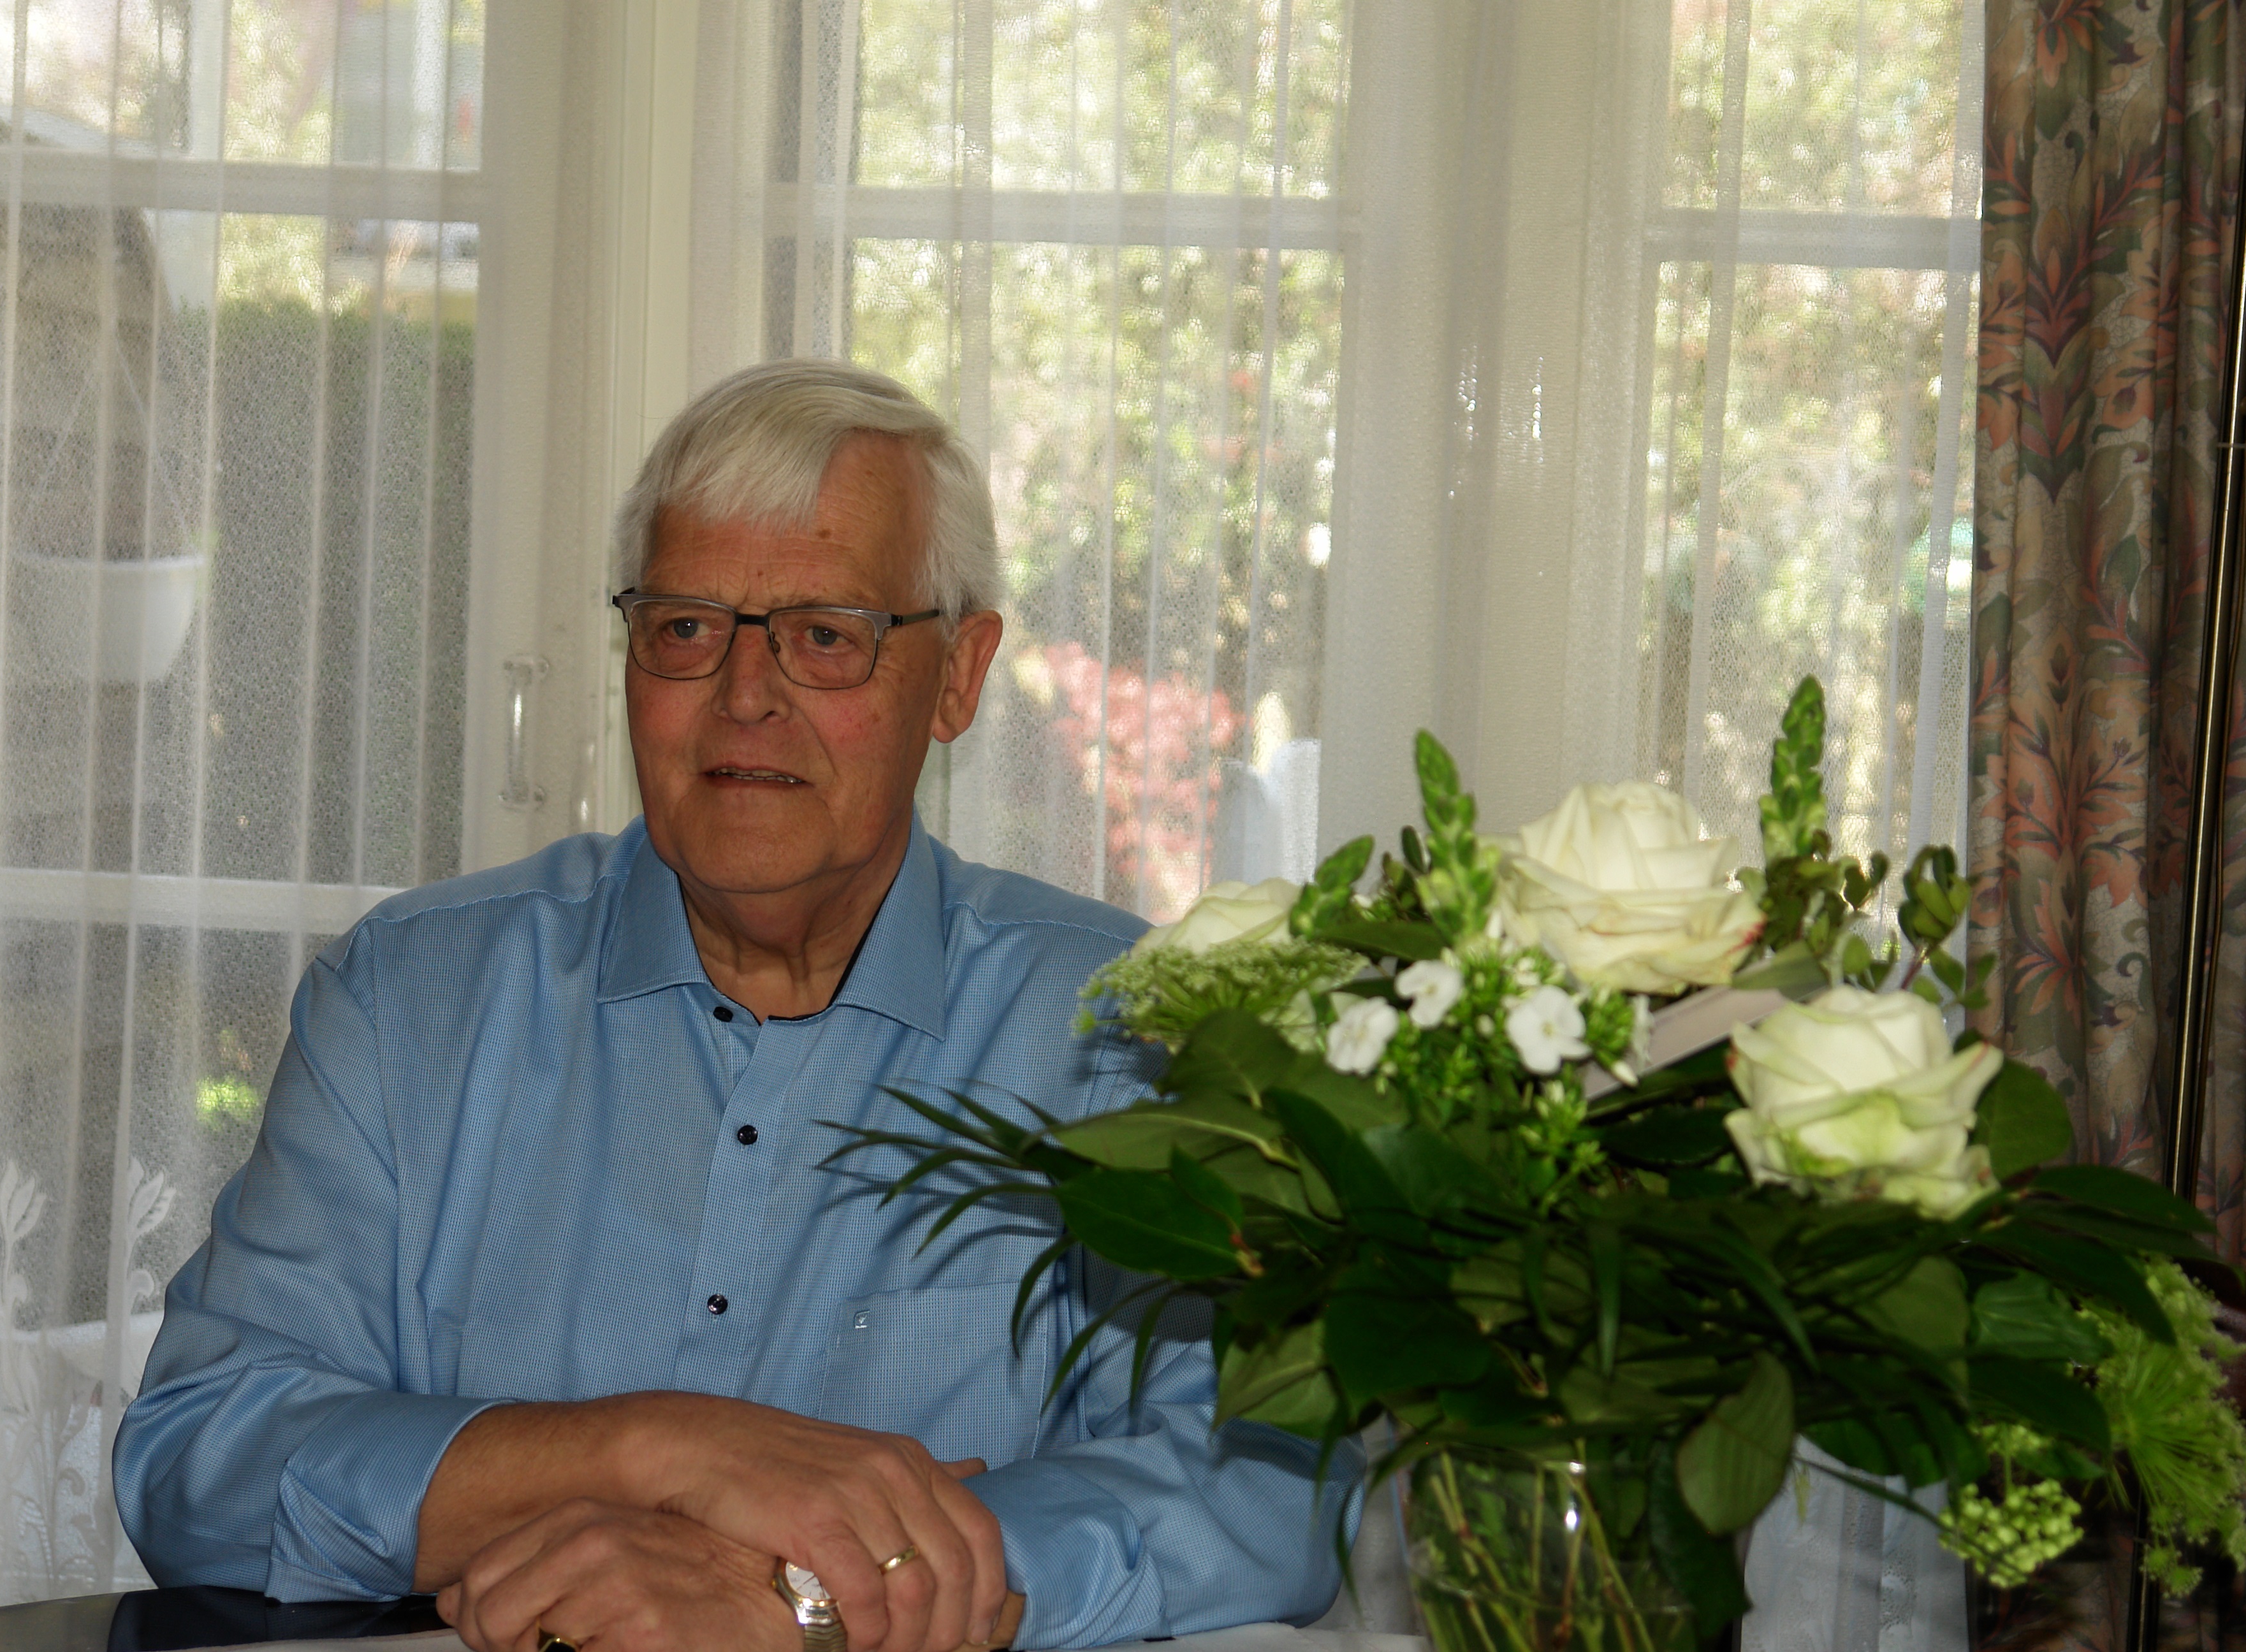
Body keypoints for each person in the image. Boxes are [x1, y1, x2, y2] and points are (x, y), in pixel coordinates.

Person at [113, 361, 1357, 1652]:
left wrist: (802, 1592)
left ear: (958, 676)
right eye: (686, 628)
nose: (745, 695)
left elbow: (1270, 1485)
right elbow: (198, 1456)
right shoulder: (409, 998)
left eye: (826, 634)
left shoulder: (1129, 1038)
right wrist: (659, 1451)